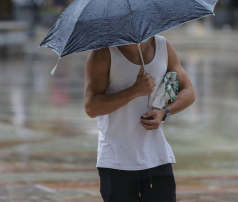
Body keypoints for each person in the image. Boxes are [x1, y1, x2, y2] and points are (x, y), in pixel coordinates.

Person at [84, 34, 196, 201]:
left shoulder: (163, 46)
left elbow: (188, 91)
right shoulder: (103, 53)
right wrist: (134, 91)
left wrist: (164, 112)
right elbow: (91, 107)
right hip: (116, 160)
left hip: (157, 157)